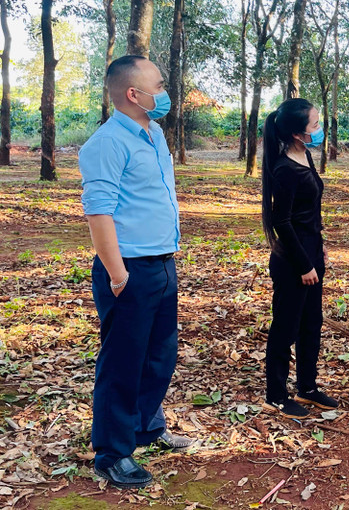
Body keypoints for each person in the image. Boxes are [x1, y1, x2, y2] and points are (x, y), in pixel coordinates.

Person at [78, 55, 194, 490]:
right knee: (123, 361)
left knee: (159, 355)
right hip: (129, 270)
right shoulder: (106, 143)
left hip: (162, 262)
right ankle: (112, 453)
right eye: (159, 85)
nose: (164, 92)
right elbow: (99, 212)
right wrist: (117, 272)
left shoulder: (154, 131)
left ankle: (147, 427)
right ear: (133, 93)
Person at [261, 98, 338, 420]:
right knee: (286, 328)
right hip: (293, 261)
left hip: (310, 252)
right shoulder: (284, 169)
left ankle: (307, 387)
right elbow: (283, 221)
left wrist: (318, 248)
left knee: (311, 325)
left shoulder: (304, 155)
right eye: (315, 125)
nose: (320, 130)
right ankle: (276, 396)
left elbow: (308, 214)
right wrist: (304, 264)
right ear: (296, 133)